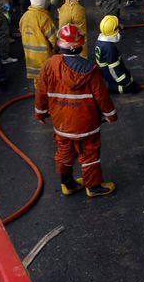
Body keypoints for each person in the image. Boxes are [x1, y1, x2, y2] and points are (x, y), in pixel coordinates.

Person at [34, 24, 117, 197]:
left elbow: (41, 92)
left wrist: (40, 112)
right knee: (89, 153)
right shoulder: (91, 69)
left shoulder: (49, 65)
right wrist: (111, 115)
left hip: (62, 123)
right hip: (86, 123)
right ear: (80, 45)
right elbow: (102, 96)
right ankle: (93, 187)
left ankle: (68, 184)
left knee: (65, 152)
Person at [94, 15, 140, 94]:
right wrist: (127, 84)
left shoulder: (99, 42)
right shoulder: (109, 48)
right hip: (113, 82)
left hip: (106, 76)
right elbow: (114, 70)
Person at [19, 0, 57, 81]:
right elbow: (54, 39)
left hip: (30, 57)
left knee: (38, 81)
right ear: (44, 2)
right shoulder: (44, 18)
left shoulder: (24, 17)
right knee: (48, 80)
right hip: (44, 57)